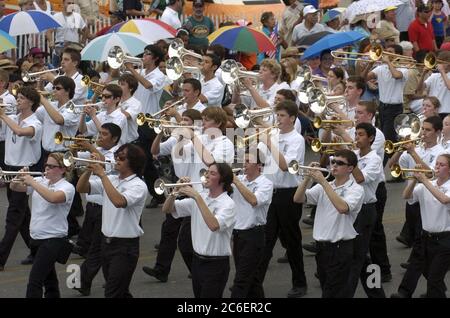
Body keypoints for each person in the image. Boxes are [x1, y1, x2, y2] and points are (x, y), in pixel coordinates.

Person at [76, 143, 148, 298]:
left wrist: (102, 175)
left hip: (124, 247)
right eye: (116, 156)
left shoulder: (138, 185)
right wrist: (89, 170)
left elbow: (119, 201)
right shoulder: (112, 179)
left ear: (133, 162)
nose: (116, 160)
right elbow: (81, 188)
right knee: (120, 291)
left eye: (121, 157)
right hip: (106, 243)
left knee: (112, 292)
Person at [293, 149, 364, 298]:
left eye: (340, 163)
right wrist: (307, 178)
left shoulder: (356, 189)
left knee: (331, 292)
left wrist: (324, 182)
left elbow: (343, 208)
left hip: (340, 248)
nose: (334, 165)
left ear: (350, 168)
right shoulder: (324, 186)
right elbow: (298, 199)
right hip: (322, 248)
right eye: (333, 162)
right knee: (327, 287)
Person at [254, 100, 307, 298]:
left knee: (292, 242)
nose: (279, 119)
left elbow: (285, 166)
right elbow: (257, 158)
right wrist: (257, 139)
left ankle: (300, 283)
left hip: (289, 194)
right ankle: (253, 283)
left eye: (282, 116)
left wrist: (269, 143)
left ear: (292, 118)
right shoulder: (272, 135)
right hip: (269, 192)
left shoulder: (296, 139)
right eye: (277, 116)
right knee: (265, 242)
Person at [142, 109, 202, 282]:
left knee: (187, 238)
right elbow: (154, 151)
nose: (181, 123)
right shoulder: (176, 140)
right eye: (181, 119)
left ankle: (197, 269)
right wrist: (161, 132)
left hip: (193, 186)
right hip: (179, 185)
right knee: (169, 229)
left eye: (186, 120)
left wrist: (186, 132)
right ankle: (161, 269)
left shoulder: (195, 142)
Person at [162, 162, 235, 298]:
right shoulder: (201, 198)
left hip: (216, 264)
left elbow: (214, 225)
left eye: (212, 173)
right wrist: (174, 193)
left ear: (223, 181)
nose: (206, 175)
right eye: (207, 172)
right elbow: (167, 209)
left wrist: (196, 196)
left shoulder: (228, 204)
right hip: (197, 262)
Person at [9, 153, 74, 298]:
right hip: (37, 238)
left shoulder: (67, 187)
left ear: (63, 169)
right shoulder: (40, 181)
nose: (47, 169)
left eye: (52, 166)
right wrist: (18, 176)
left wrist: (32, 182)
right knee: (49, 281)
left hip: (53, 239)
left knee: (34, 281)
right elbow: (15, 187)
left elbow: (53, 198)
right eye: (46, 165)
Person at [73, 123, 122, 296]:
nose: (100, 137)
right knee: (96, 247)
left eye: (104, 134)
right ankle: (113, 283)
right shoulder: (95, 149)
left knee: (98, 248)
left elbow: (107, 166)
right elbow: (74, 161)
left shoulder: (119, 153)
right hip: (92, 206)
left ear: (114, 138)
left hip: (105, 207)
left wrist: (90, 146)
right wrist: (74, 147)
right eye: (99, 133)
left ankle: (84, 281)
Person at [0, 86, 42, 271]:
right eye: (18, 98)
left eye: (22, 98)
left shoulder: (35, 123)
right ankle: (36, 251)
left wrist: (3, 115)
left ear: (31, 102)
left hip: (24, 170)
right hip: (10, 167)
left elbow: (19, 132)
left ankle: (1, 258)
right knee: (23, 215)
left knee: (14, 216)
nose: (18, 101)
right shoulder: (14, 117)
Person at [400, 153, 450, 297]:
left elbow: (444, 200)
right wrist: (415, 181)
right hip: (426, 238)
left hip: (445, 240)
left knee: (434, 279)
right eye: (437, 164)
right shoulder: (426, 185)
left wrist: (424, 180)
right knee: (430, 275)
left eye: (442, 165)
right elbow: (406, 196)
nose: (437, 167)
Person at [230, 151, 273, 298]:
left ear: (259, 165)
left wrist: (236, 181)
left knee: (241, 281)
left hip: (254, 235)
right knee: (252, 280)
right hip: (237, 235)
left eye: (248, 161)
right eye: (244, 160)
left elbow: (253, 200)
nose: (244, 163)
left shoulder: (266, 183)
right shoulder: (240, 178)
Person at [49, 0, 89, 67]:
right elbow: (49, 31)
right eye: (68, 3)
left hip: (74, 49)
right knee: (56, 72)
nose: (71, 5)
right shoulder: (56, 16)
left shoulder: (77, 16)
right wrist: (50, 41)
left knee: (75, 71)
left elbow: (86, 30)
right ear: (63, 4)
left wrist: (83, 42)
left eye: (72, 3)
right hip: (59, 49)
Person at [417, 51, 450, 118]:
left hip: (446, 111)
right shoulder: (434, 76)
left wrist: (442, 71)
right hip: (431, 111)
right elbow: (419, 89)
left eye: (443, 62)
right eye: (439, 62)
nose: (440, 64)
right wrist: (423, 74)